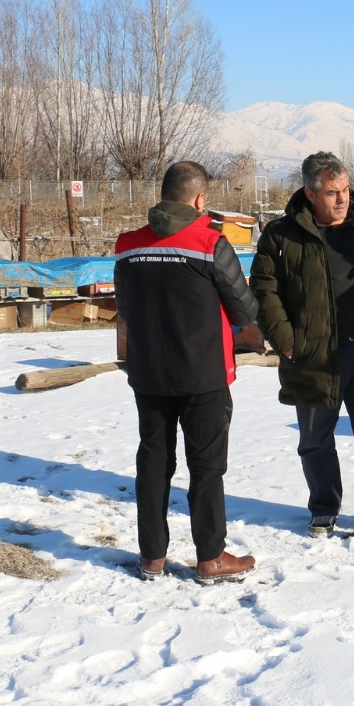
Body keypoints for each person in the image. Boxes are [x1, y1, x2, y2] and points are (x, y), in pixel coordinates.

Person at [250, 151, 354, 538]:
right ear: (310, 194)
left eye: (345, 189)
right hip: (314, 356)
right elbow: (264, 290)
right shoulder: (282, 235)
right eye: (331, 192)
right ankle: (325, 508)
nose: (342, 199)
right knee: (316, 440)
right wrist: (286, 340)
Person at [115, 160, 258, 585]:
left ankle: (152, 557)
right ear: (199, 200)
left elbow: (124, 305)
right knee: (207, 466)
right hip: (203, 374)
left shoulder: (127, 244)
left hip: (148, 373)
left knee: (154, 462)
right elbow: (244, 309)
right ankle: (210, 557)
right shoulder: (210, 243)